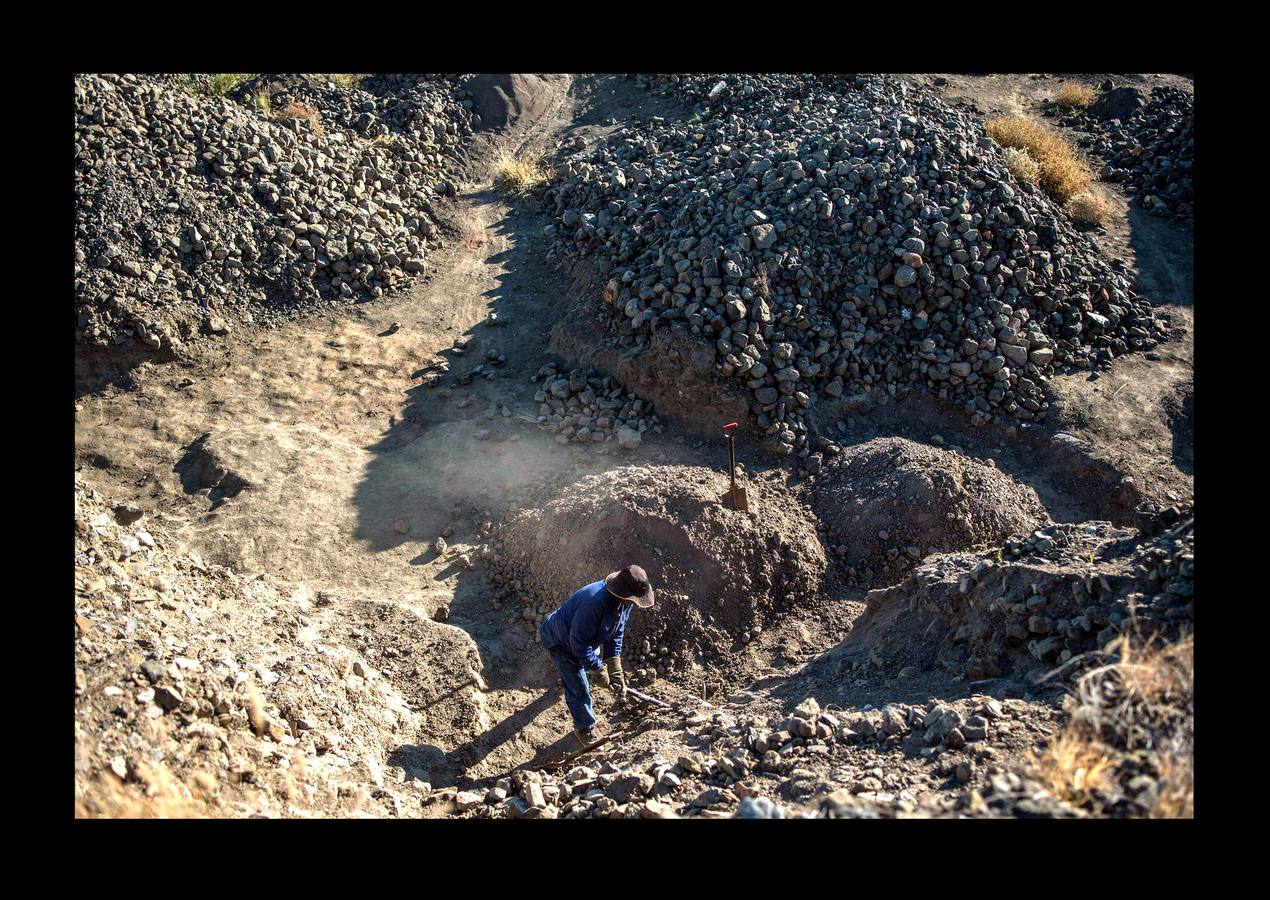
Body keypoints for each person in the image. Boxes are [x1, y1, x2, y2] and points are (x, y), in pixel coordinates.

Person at [539, 565, 655, 747]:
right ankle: (584, 727)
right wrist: (598, 668)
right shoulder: (593, 603)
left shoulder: (625, 603)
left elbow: (616, 632)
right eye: (633, 601)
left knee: (589, 665)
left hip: (583, 639)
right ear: (622, 594)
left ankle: (573, 677)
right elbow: (578, 644)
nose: (634, 604)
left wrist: (614, 667)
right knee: (579, 689)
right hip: (561, 643)